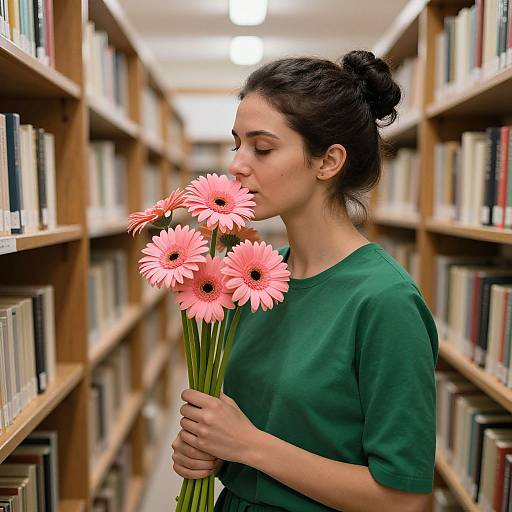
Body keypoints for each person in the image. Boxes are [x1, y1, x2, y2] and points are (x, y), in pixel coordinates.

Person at [171, 50, 438, 512]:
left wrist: (247, 446)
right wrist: (208, 451)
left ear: (328, 161)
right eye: (237, 143)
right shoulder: (253, 279)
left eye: (263, 147)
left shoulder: (384, 301)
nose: (236, 164)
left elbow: (402, 500)